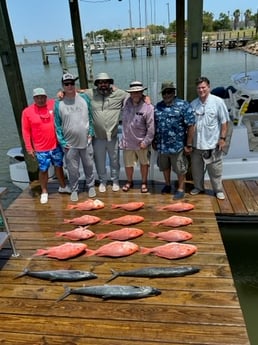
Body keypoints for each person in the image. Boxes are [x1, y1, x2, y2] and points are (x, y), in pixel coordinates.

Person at [21, 88, 70, 204]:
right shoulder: (27, 112)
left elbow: (66, 94)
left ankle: (63, 186)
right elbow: (26, 131)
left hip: (56, 145)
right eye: (38, 97)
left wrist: (61, 91)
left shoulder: (53, 104)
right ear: (34, 99)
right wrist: (29, 148)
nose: (41, 99)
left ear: (46, 97)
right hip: (40, 148)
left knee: (59, 166)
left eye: (43, 97)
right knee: (43, 170)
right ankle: (44, 191)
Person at [54, 73, 96, 201]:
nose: (70, 86)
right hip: (69, 144)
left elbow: (91, 117)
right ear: (63, 86)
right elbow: (57, 124)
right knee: (72, 169)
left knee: (89, 165)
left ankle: (91, 186)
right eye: (67, 84)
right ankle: (74, 188)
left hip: (86, 140)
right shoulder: (58, 103)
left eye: (72, 83)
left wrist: (91, 133)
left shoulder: (84, 98)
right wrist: (62, 141)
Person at [83, 72, 128, 193]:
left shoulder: (119, 94)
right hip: (97, 137)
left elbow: (135, 95)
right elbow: (75, 92)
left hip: (112, 136)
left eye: (106, 82)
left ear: (110, 83)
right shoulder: (90, 93)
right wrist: (62, 92)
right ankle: (103, 180)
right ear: (97, 84)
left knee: (115, 160)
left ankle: (115, 180)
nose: (103, 84)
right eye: (100, 82)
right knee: (99, 161)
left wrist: (146, 97)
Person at [153, 81, 195, 200]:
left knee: (180, 168)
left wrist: (189, 144)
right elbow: (155, 125)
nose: (167, 95)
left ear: (174, 92)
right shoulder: (158, 106)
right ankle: (167, 184)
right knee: (164, 167)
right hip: (162, 145)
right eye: (164, 92)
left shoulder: (183, 105)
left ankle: (181, 188)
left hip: (178, 146)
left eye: (169, 92)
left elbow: (191, 126)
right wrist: (154, 140)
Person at [190, 76, 229, 200]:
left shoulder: (218, 102)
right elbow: (191, 126)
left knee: (215, 171)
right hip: (197, 145)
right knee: (196, 171)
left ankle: (218, 190)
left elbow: (224, 122)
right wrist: (189, 143)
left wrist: (222, 139)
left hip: (213, 145)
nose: (201, 90)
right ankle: (198, 187)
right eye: (199, 88)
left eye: (203, 87)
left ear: (209, 87)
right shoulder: (193, 104)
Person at [120, 81, 155, 193]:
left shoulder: (148, 107)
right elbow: (114, 90)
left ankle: (144, 182)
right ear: (130, 93)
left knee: (144, 164)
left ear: (142, 93)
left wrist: (146, 141)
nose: (135, 94)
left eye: (138, 92)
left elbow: (151, 127)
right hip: (127, 141)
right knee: (128, 164)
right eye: (133, 92)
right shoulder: (125, 102)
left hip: (141, 142)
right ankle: (129, 181)